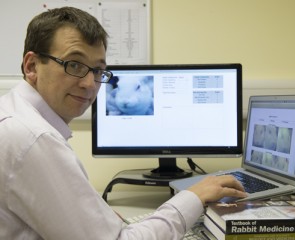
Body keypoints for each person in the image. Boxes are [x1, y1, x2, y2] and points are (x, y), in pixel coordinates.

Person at [0, 7, 247, 240]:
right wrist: (193, 197)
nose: (89, 84)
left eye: (98, 71)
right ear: (31, 66)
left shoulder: (15, 115)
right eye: (74, 64)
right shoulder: (33, 137)